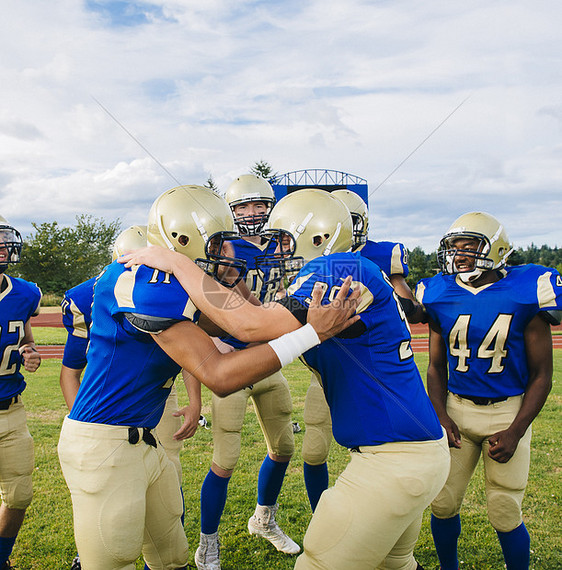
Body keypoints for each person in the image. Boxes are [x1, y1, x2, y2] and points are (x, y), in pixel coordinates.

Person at [124, 189, 450, 569]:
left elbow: (248, 325)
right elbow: (256, 315)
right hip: (409, 450)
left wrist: (178, 264)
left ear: (318, 239)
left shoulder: (337, 269)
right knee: (395, 565)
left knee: (317, 564)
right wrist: (228, 281)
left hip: (394, 459)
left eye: (283, 241)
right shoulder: (345, 269)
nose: (275, 252)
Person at [58, 185, 359, 570]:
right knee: (113, 561)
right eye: (218, 244)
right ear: (182, 240)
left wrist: (232, 283)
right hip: (105, 443)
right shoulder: (147, 282)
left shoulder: (176, 281)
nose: (227, 252)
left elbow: (243, 322)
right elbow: (219, 374)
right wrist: (311, 333)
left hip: (145, 440)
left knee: (172, 558)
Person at [415, 212, 561, 570]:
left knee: (505, 510)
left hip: (508, 411)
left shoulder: (527, 289)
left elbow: (543, 374)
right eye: (454, 247)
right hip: (457, 410)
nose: (460, 255)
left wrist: (516, 430)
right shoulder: (439, 292)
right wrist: (441, 415)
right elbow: (435, 366)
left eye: (470, 246)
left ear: (496, 249)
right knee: (443, 503)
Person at [60, 225, 202, 570]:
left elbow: (198, 351)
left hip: (147, 426)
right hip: (108, 428)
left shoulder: (175, 294)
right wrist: (93, 432)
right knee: (113, 553)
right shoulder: (97, 295)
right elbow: (71, 370)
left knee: (171, 547)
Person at [193, 174, 298, 570]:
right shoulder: (220, 246)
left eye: (259, 205)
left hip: (268, 358)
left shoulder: (284, 244)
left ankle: (263, 519)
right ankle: (208, 542)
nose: (251, 214)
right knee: (225, 458)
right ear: (230, 212)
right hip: (233, 359)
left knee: (284, 447)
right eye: (242, 207)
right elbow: (208, 309)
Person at [299, 188, 425, 512]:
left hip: (368, 363)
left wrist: (380, 297)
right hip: (328, 371)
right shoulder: (311, 263)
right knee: (314, 452)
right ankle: (319, 515)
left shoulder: (376, 257)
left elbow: (407, 303)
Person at [0, 216, 42, 569]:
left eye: (2, 239)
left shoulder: (25, 293)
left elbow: (26, 339)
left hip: (12, 410)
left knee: (19, 496)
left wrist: (31, 353)